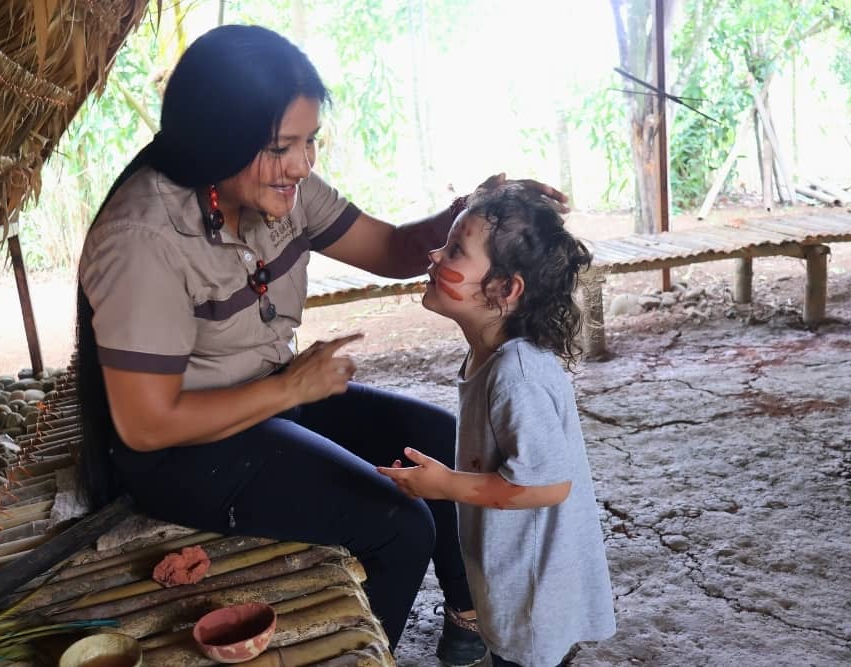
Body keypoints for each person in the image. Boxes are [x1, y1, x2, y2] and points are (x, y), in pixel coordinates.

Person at [73, 24, 568, 665]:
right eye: (283, 147)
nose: (302, 165)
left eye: (309, 143)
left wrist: (475, 213)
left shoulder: (283, 189)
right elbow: (145, 426)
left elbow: (391, 249)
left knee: (444, 445)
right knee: (396, 524)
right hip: (185, 452)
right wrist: (290, 388)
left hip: (275, 400)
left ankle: (467, 622)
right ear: (217, 136)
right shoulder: (143, 236)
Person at [377, 182, 616, 666]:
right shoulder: (492, 355)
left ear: (506, 290)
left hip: (534, 587)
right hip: (518, 571)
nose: (434, 253)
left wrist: (445, 484)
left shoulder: (517, 374)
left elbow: (548, 485)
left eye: (455, 250)